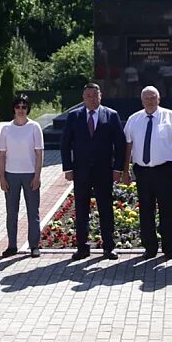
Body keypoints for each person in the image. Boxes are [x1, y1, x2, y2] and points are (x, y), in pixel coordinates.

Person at [62, 82, 127, 260]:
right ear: (83, 98)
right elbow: (65, 144)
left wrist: (118, 168)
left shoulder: (111, 115)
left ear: (100, 96)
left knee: (106, 209)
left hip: (104, 171)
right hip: (81, 171)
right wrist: (68, 167)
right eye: (88, 95)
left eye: (95, 95)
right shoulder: (74, 116)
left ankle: (108, 247)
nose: (92, 98)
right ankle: (82, 247)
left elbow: (120, 144)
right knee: (81, 210)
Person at [124, 86, 172, 260]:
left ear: (159, 99)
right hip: (143, 172)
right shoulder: (133, 119)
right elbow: (128, 146)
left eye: (153, 97)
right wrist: (125, 171)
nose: (150, 101)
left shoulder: (171, 116)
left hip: (166, 170)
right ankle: (150, 248)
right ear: (141, 100)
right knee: (146, 210)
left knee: (168, 210)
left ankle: (169, 248)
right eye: (147, 98)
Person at [0, 94, 44, 257]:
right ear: (13, 108)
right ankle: (12, 245)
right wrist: (2, 178)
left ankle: (34, 245)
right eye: (18, 106)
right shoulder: (6, 129)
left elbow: (39, 153)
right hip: (11, 175)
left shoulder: (34, 127)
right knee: (11, 212)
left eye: (24, 107)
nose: (21, 110)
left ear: (28, 109)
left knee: (33, 211)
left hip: (30, 174)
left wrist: (37, 176)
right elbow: (2, 155)